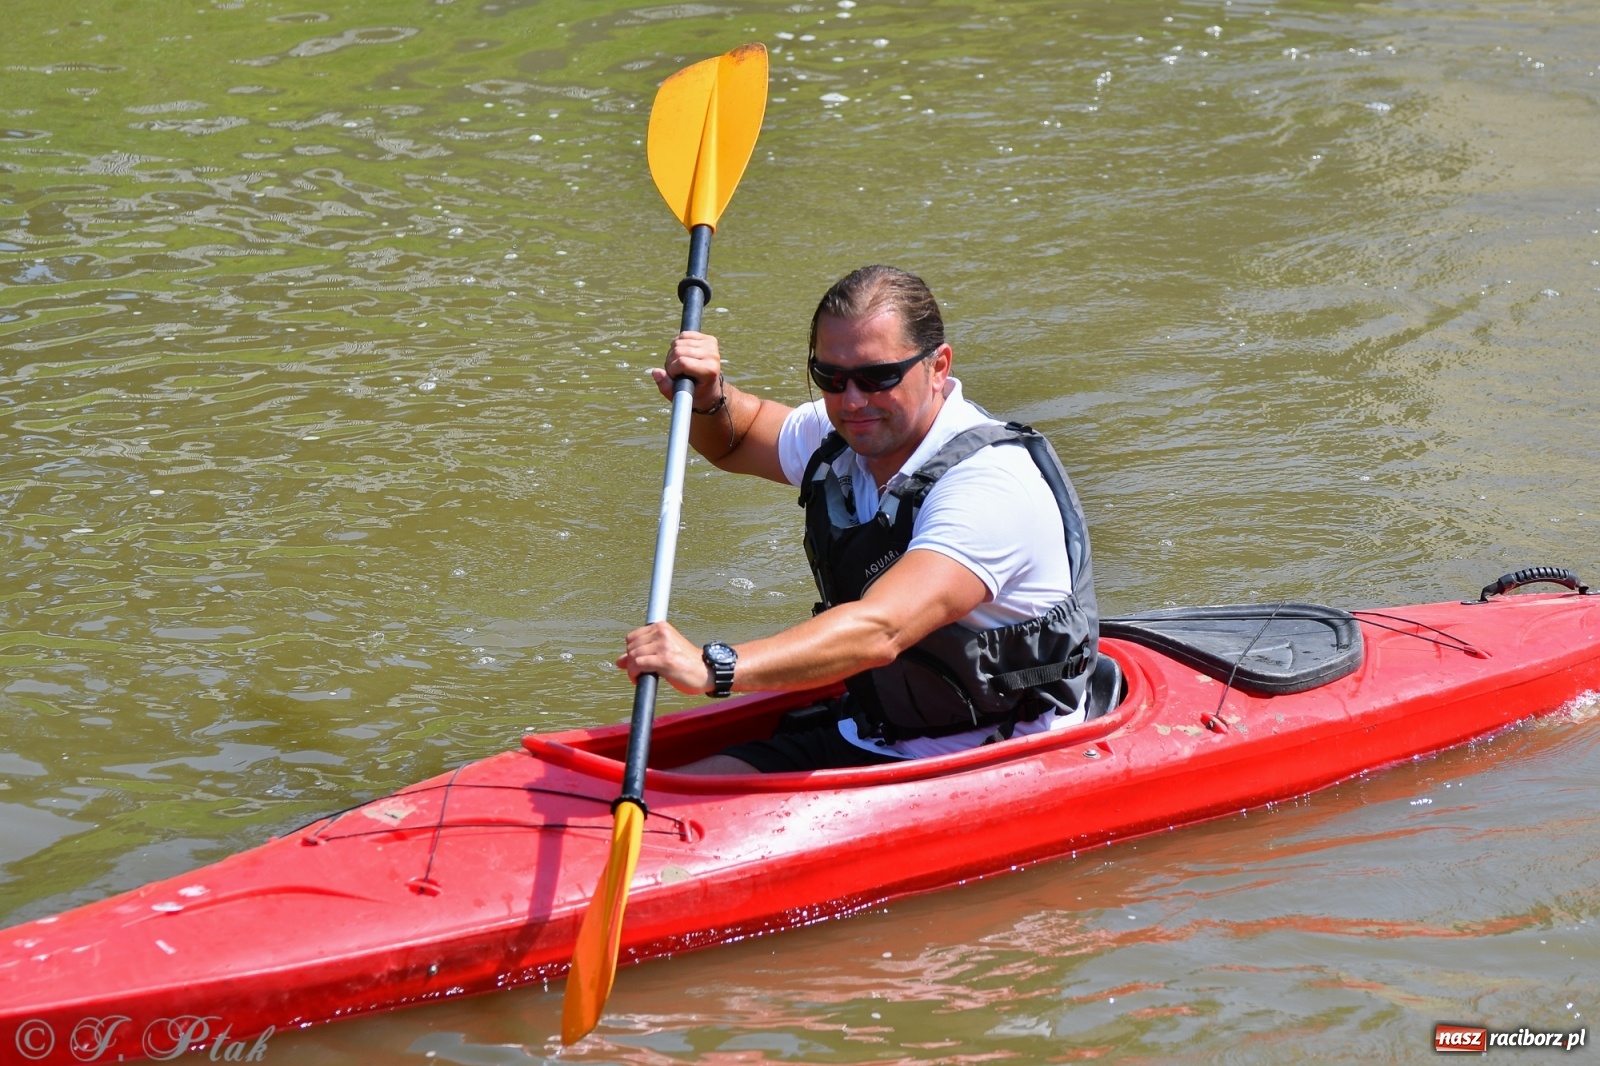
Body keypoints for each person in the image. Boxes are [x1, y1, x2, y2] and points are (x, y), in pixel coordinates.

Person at [616, 265, 1098, 773]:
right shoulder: (845, 436)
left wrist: (713, 667)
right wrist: (711, 398)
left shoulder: (988, 487)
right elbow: (740, 436)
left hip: (996, 752)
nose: (851, 401)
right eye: (831, 377)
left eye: (877, 377)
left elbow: (881, 629)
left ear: (938, 367)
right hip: (877, 731)